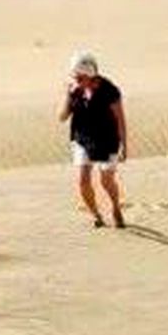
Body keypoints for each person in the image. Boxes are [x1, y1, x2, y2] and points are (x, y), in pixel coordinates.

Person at [58, 51, 128, 228]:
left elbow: (120, 119)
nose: (76, 80)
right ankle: (97, 215)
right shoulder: (74, 90)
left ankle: (115, 207)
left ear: (90, 75)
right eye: (74, 76)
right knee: (83, 180)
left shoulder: (109, 90)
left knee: (106, 180)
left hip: (107, 139)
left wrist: (124, 146)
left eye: (80, 77)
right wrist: (68, 95)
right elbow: (62, 117)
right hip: (83, 138)